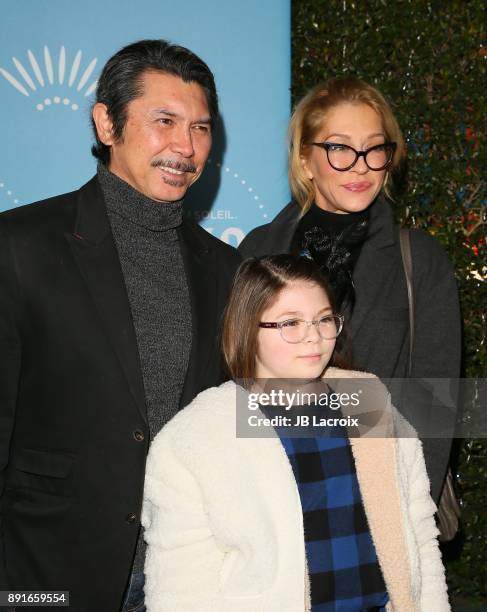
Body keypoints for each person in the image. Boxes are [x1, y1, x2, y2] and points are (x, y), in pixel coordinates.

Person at [0, 39, 240, 612]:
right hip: (45, 571)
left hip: (183, 576)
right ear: (107, 123)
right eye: (165, 121)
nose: (186, 146)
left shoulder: (227, 269)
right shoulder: (19, 247)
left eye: (201, 128)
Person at [142, 254, 450, 611]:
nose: (314, 338)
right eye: (290, 323)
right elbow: (180, 585)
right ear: (247, 328)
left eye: (323, 320)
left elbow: (419, 534)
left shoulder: (369, 403)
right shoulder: (196, 437)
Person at [238, 77, 461, 504]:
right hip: (270, 492)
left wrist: (410, 512)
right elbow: (238, 381)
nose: (360, 165)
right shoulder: (258, 250)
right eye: (339, 148)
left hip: (380, 492)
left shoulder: (419, 260)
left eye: (375, 148)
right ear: (306, 161)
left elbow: (435, 405)